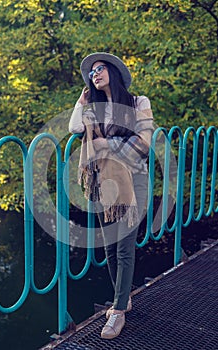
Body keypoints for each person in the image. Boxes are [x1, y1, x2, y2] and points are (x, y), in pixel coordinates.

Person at [69, 52, 154, 339]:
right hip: (104, 183)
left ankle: (117, 311)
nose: (95, 74)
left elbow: (143, 144)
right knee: (109, 249)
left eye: (100, 68)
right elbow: (74, 127)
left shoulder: (138, 103)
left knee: (124, 247)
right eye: (91, 72)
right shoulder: (95, 108)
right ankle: (123, 298)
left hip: (134, 181)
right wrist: (80, 103)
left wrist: (106, 144)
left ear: (114, 72)